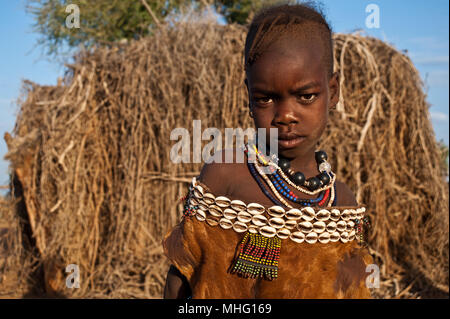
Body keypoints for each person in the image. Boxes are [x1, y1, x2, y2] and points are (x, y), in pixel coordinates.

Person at [163, 3, 373, 299]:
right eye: (265, 99)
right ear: (249, 95)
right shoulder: (227, 173)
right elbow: (181, 277)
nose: (285, 115)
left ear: (333, 91)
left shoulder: (343, 204)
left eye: (306, 96)